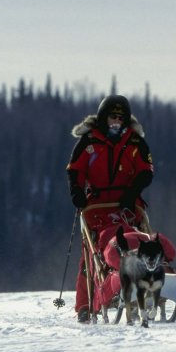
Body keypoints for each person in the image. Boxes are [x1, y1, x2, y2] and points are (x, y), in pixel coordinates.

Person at [66, 94, 154, 323]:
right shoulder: (88, 142)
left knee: (141, 238)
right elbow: (75, 171)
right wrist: (77, 192)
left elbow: (146, 171)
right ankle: (86, 305)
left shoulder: (135, 143)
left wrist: (132, 193)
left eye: (120, 118)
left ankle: (154, 280)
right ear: (104, 118)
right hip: (96, 206)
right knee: (91, 255)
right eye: (112, 117)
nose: (116, 121)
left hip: (127, 204)